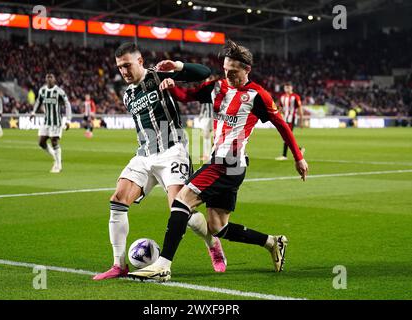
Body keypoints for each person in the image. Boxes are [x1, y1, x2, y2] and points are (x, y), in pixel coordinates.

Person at [129, 40, 309, 282]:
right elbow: (187, 95)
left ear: (247, 70)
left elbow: (282, 125)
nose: (228, 75)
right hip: (222, 163)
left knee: (181, 200)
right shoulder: (217, 87)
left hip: (229, 163)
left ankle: (163, 265)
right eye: (225, 70)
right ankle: (272, 242)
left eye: (234, 71)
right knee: (217, 227)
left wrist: (298, 158)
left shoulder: (258, 96)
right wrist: (172, 85)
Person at [93, 42, 227, 281]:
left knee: (182, 210)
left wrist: (177, 66)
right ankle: (118, 265)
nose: (123, 71)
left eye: (127, 65)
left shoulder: (159, 74)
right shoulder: (127, 95)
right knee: (117, 200)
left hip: (172, 151)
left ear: (140, 61)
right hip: (144, 155)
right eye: (119, 67)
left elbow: (204, 73)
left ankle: (212, 242)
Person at [30, 73, 72, 173]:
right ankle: (55, 157)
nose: (49, 79)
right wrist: (33, 112)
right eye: (47, 77)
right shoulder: (42, 90)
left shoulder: (59, 91)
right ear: (45, 79)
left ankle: (58, 166)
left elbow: (67, 104)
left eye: (51, 77)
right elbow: (38, 102)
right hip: (46, 121)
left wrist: (68, 120)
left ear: (54, 79)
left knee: (54, 141)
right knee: (41, 142)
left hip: (56, 121)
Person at [275, 82, 305, 160]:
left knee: (287, 136)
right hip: (284, 119)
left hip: (291, 119)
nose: (287, 89)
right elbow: (281, 108)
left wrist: (301, 121)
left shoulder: (295, 97)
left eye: (288, 87)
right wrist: (279, 116)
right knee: (286, 137)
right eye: (285, 87)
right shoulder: (282, 97)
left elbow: (300, 108)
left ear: (292, 88)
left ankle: (284, 155)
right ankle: (299, 149)